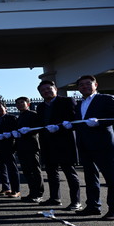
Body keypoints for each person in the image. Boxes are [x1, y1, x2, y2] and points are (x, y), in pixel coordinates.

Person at [70, 75, 114, 221]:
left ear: (96, 85)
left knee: (112, 178)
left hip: (103, 144)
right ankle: (93, 206)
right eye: (81, 85)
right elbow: (79, 122)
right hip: (84, 145)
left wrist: (100, 122)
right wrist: (70, 124)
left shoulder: (107, 98)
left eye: (88, 83)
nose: (84, 86)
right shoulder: (79, 104)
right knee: (90, 177)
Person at [35, 80, 81, 210]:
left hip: (64, 143)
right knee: (51, 173)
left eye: (48, 89)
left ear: (56, 89)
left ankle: (76, 201)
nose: (46, 91)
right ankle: (55, 198)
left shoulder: (67, 101)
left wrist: (61, 127)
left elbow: (75, 120)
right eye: (43, 90)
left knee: (70, 173)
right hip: (47, 144)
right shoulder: (40, 107)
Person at [13, 97, 44, 203]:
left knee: (35, 170)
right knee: (27, 171)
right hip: (21, 147)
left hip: (32, 146)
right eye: (18, 103)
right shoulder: (19, 117)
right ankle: (32, 192)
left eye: (22, 102)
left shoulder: (33, 114)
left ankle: (38, 194)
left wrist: (29, 131)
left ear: (28, 104)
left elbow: (39, 127)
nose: (20, 104)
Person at [0, 101, 20, 198]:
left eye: (0, 107)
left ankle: (16, 190)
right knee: (1, 169)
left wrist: (9, 134)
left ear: (6, 108)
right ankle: (6, 188)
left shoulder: (12, 118)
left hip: (9, 147)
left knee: (12, 169)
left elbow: (16, 131)